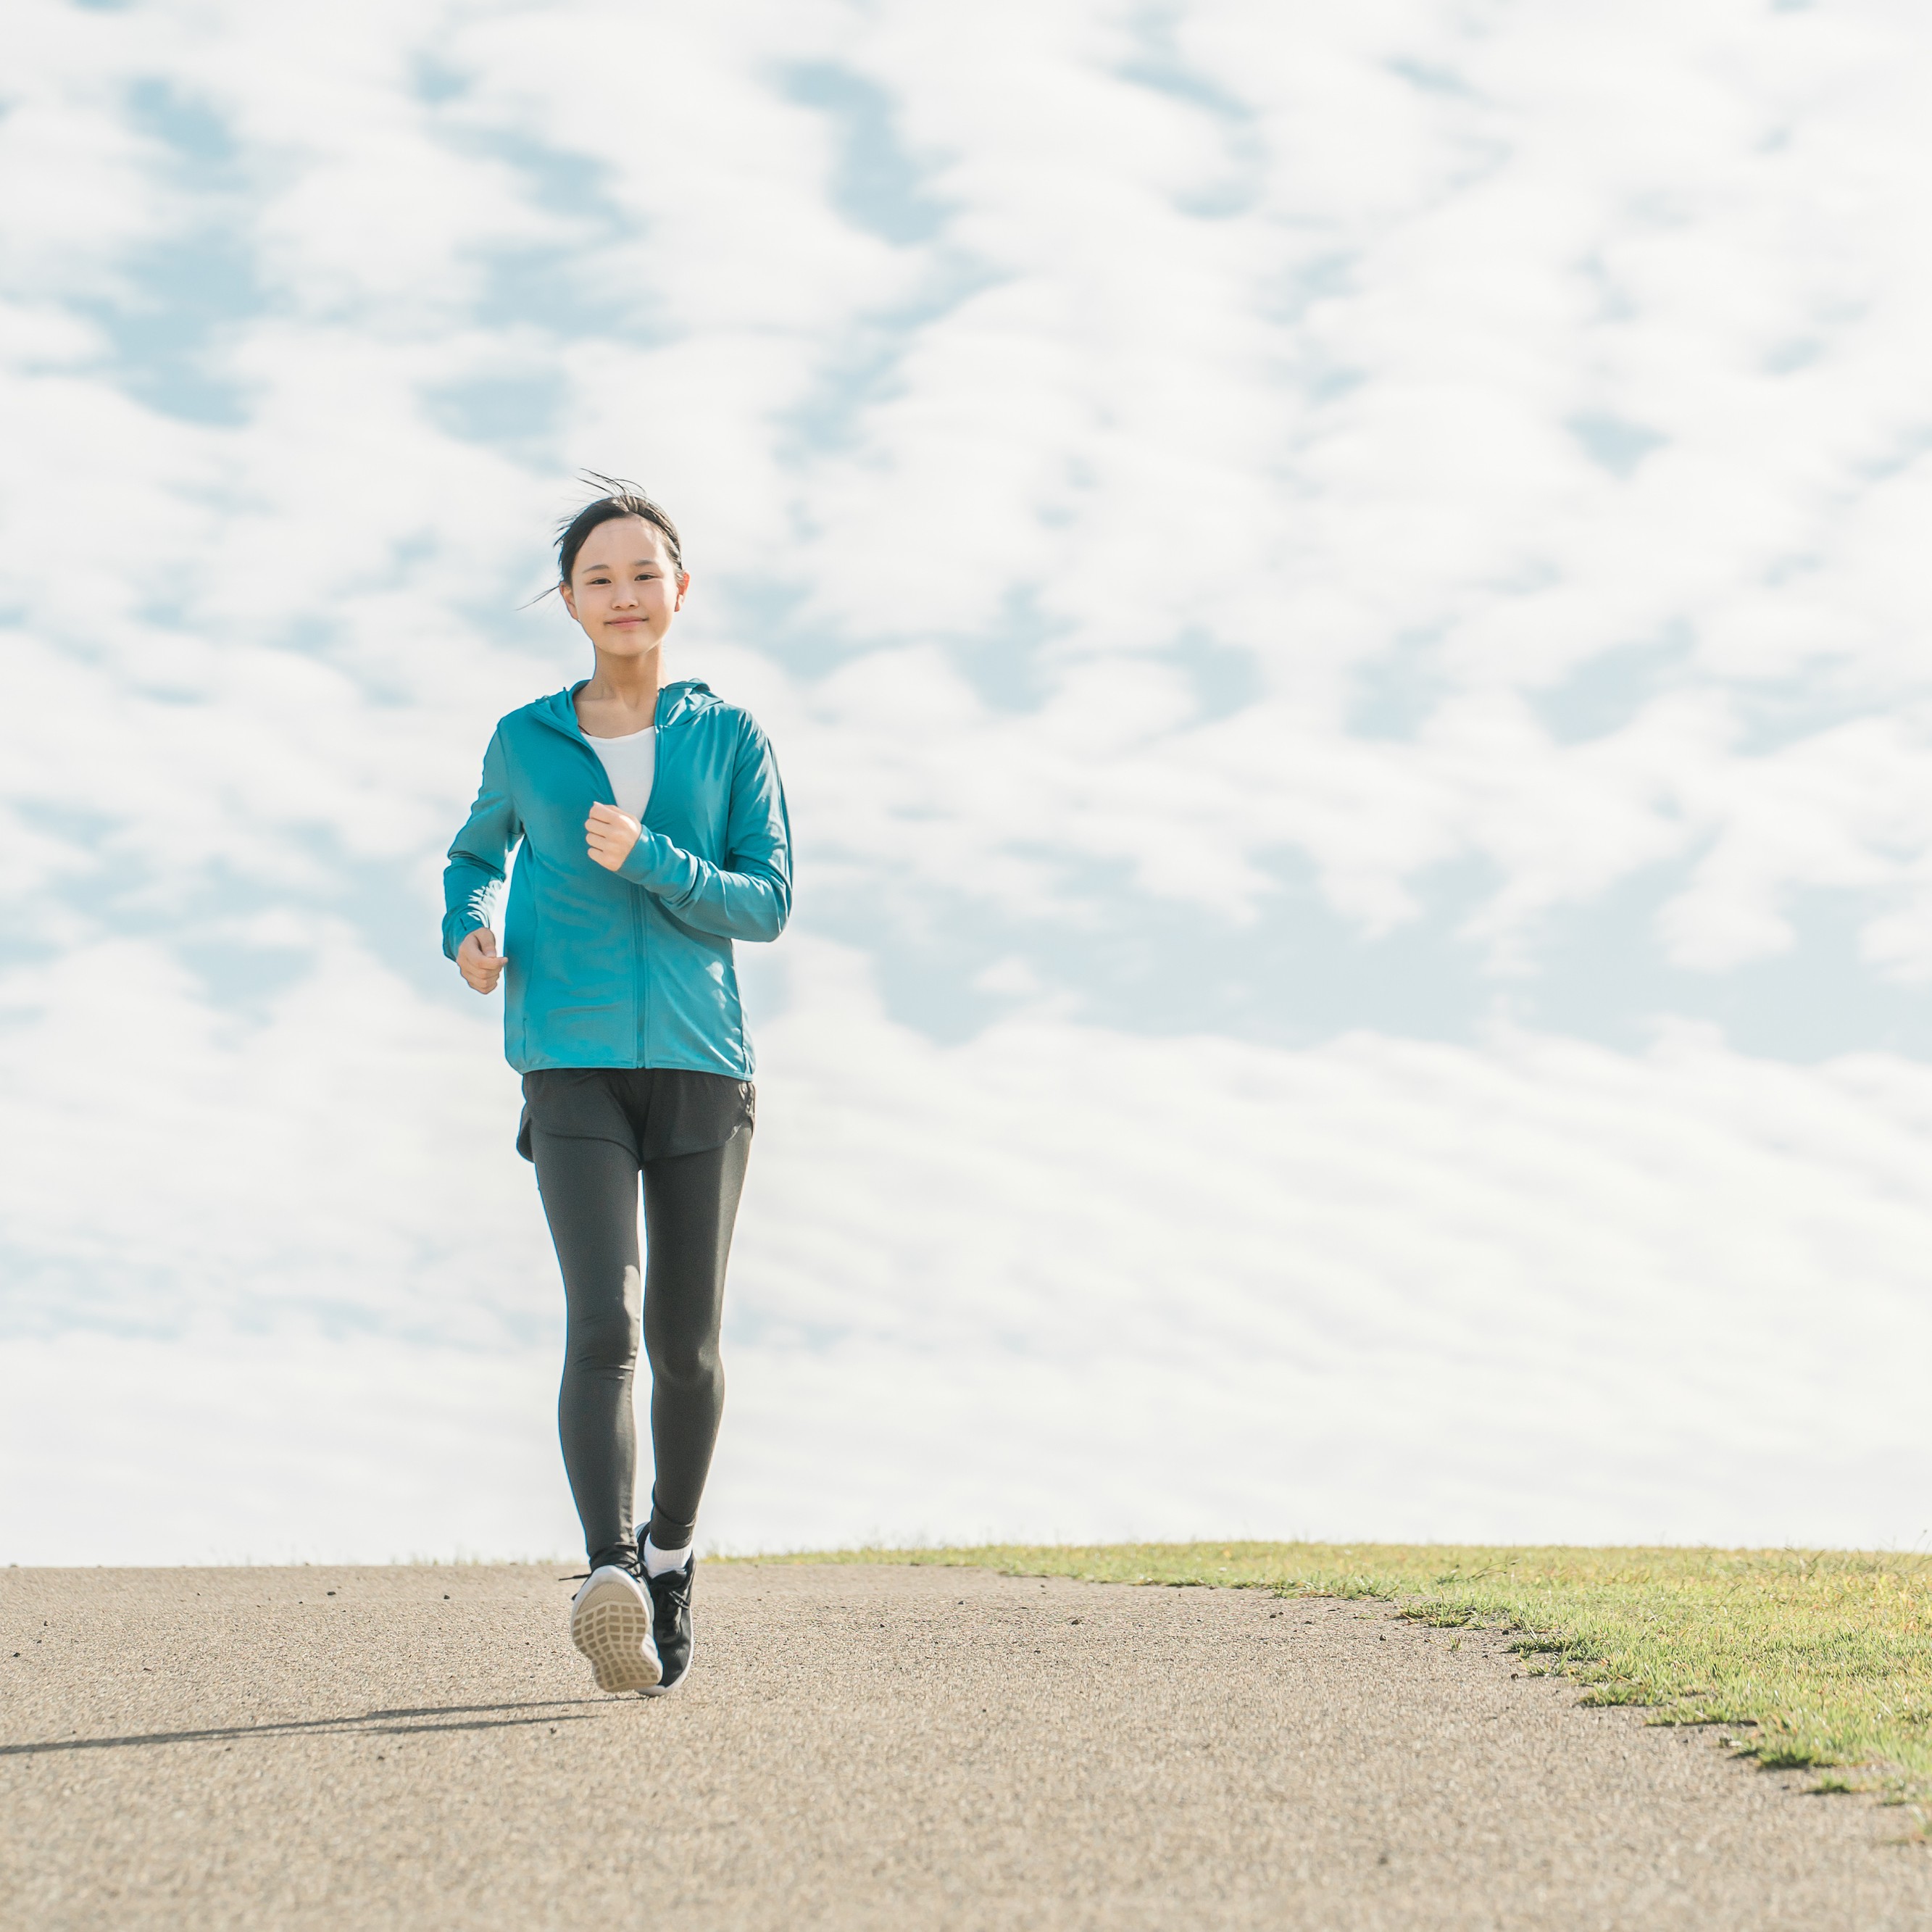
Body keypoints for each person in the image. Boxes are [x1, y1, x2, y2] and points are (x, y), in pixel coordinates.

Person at [441, 478, 791, 1694]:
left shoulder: (730, 737)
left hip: (701, 1064)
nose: (625, 595)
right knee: (602, 1324)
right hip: (570, 1058)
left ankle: (672, 1553)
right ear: (569, 600)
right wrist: (468, 928)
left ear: (679, 590)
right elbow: (472, 855)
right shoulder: (524, 738)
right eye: (600, 577)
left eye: (645, 573)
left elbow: (767, 899)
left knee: (681, 1341)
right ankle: (609, 1577)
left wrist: (653, 860)